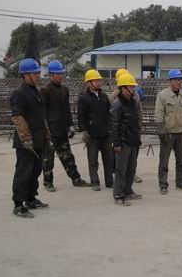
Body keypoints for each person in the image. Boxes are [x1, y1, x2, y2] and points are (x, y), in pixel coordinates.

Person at [40, 60, 91, 191]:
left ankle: (76, 179)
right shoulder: (44, 91)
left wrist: (70, 125)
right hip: (51, 131)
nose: (61, 76)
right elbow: (42, 113)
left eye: (61, 73)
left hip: (62, 129)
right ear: (51, 75)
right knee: (48, 159)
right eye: (58, 74)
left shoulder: (65, 90)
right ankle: (48, 182)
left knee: (68, 156)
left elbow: (67, 110)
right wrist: (46, 131)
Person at [10, 58, 50, 218]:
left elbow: (40, 116)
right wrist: (26, 139)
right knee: (23, 172)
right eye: (35, 73)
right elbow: (18, 117)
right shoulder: (19, 93)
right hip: (26, 142)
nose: (38, 75)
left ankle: (30, 198)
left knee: (35, 170)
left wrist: (46, 134)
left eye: (38, 72)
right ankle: (18, 204)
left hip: (39, 139)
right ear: (25, 75)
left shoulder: (35, 91)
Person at [154, 69, 182, 194]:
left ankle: (180, 183)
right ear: (170, 81)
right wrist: (162, 132)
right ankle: (163, 185)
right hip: (168, 133)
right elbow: (159, 115)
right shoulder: (162, 95)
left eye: (180, 79)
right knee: (164, 162)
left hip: (181, 133)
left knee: (181, 161)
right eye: (176, 80)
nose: (178, 82)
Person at [77, 69, 114, 191]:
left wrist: (111, 129)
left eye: (99, 80)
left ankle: (110, 181)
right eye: (95, 80)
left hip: (105, 134)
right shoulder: (84, 99)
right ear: (89, 83)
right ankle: (95, 182)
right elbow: (81, 117)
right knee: (93, 160)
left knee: (109, 159)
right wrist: (84, 131)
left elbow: (109, 114)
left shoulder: (104, 97)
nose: (98, 82)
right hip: (92, 135)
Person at [110, 72, 142, 206]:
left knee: (131, 169)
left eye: (133, 86)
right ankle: (118, 195)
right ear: (123, 88)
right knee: (120, 170)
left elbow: (135, 122)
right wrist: (117, 144)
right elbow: (114, 126)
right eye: (131, 87)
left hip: (132, 141)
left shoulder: (133, 102)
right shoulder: (117, 105)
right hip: (123, 143)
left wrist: (137, 139)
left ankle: (128, 191)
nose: (133, 89)